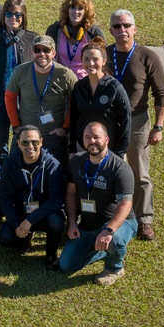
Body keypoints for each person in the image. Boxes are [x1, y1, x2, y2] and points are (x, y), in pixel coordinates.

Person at [106, 9, 164, 241]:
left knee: (140, 173)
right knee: (111, 170)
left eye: (126, 25)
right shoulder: (104, 54)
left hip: (138, 121)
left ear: (134, 28)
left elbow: (161, 94)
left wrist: (158, 127)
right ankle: (113, 214)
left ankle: (145, 219)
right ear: (111, 30)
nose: (122, 30)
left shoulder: (147, 56)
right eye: (117, 26)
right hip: (110, 122)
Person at [0, 0, 36, 231]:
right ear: (3, 17)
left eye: (18, 15)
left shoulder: (33, 40)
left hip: (26, 109)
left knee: (22, 157)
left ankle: (22, 209)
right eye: (10, 14)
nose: (14, 19)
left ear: (24, 17)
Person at [60, 122, 137, 286]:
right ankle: (103, 249)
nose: (92, 141)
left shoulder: (120, 168)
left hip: (119, 223)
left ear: (107, 139)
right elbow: (70, 193)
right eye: (87, 137)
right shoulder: (77, 161)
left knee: (114, 239)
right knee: (67, 265)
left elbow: (125, 203)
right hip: (89, 225)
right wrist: (72, 222)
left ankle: (114, 268)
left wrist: (109, 230)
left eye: (96, 137)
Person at [0, 126, 65, 269]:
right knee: (6, 238)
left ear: (41, 142)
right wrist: (16, 224)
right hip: (21, 212)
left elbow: (56, 200)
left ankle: (51, 255)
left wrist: (29, 221)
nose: (30, 146)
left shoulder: (53, 165)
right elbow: (4, 198)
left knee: (56, 220)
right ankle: (25, 239)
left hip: (45, 213)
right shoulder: (10, 164)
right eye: (25, 142)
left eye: (34, 142)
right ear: (18, 144)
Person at [5, 34, 77, 166]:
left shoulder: (66, 74)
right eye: (37, 50)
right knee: (15, 171)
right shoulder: (21, 71)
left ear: (53, 52)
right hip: (25, 134)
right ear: (31, 52)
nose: (41, 54)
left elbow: (75, 103)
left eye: (46, 50)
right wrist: (16, 126)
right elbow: (9, 97)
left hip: (54, 136)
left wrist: (65, 128)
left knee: (57, 176)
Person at [70, 37, 132, 157]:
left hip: (110, 150)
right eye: (86, 59)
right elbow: (74, 120)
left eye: (95, 59)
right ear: (81, 61)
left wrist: (120, 153)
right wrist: (73, 149)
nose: (91, 63)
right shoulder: (79, 87)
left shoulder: (114, 87)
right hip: (84, 149)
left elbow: (126, 121)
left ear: (103, 61)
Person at [45, 0, 106, 79]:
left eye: (80, 8)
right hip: (59, 81)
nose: (76, 12)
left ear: (86, 11)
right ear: (67, 9)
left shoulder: (94, 32)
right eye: (72, 7)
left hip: (85, 83)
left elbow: (103, 59)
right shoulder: (54, 30)